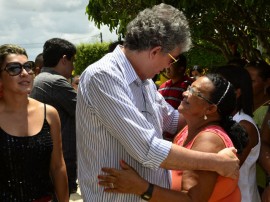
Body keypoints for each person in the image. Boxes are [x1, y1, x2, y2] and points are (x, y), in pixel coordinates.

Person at [76, 4, 239, 202]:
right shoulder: (104, 76)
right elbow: (149, 150)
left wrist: (217, 125)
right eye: (172, 59)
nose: (167, 67)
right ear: (155, 52)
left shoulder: (144, 82)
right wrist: (217, 162)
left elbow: (172, 121)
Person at [98, 74, 248, 202]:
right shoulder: (187, 130)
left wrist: (142, 188)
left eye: (195, 92)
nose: (185, 93)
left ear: (210, 109)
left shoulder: (208, 140)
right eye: (189, 87)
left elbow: (193, 200)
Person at [0, 44, 68, 201]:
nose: (24, 73)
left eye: (27, 67)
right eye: (13, 69)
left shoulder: (49, 114)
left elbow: (58, 167)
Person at [29, 38, 77, 194]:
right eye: (72, 61)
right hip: (61, 160)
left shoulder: (40, 79)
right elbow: (86, 111)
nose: (73, 66)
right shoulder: (56, 82)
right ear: (64, 59)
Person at [213, 65, 261, 202]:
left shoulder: (244, 125)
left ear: (237, 92)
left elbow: (228, 169)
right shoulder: (225, 119)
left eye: (218, 85)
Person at [245, 60, 270, 201]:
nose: (247, 85)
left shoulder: (267, 109)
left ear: (267, 82)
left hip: (261, 181)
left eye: (252, 81)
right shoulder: (239, 107)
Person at [158, 54, 193, 140]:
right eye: (167, 64)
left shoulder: (190, 86)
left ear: (181, 68)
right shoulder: (162, 87)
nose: (167, 67)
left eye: (171, 64)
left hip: (182, 138)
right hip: (161, 137)